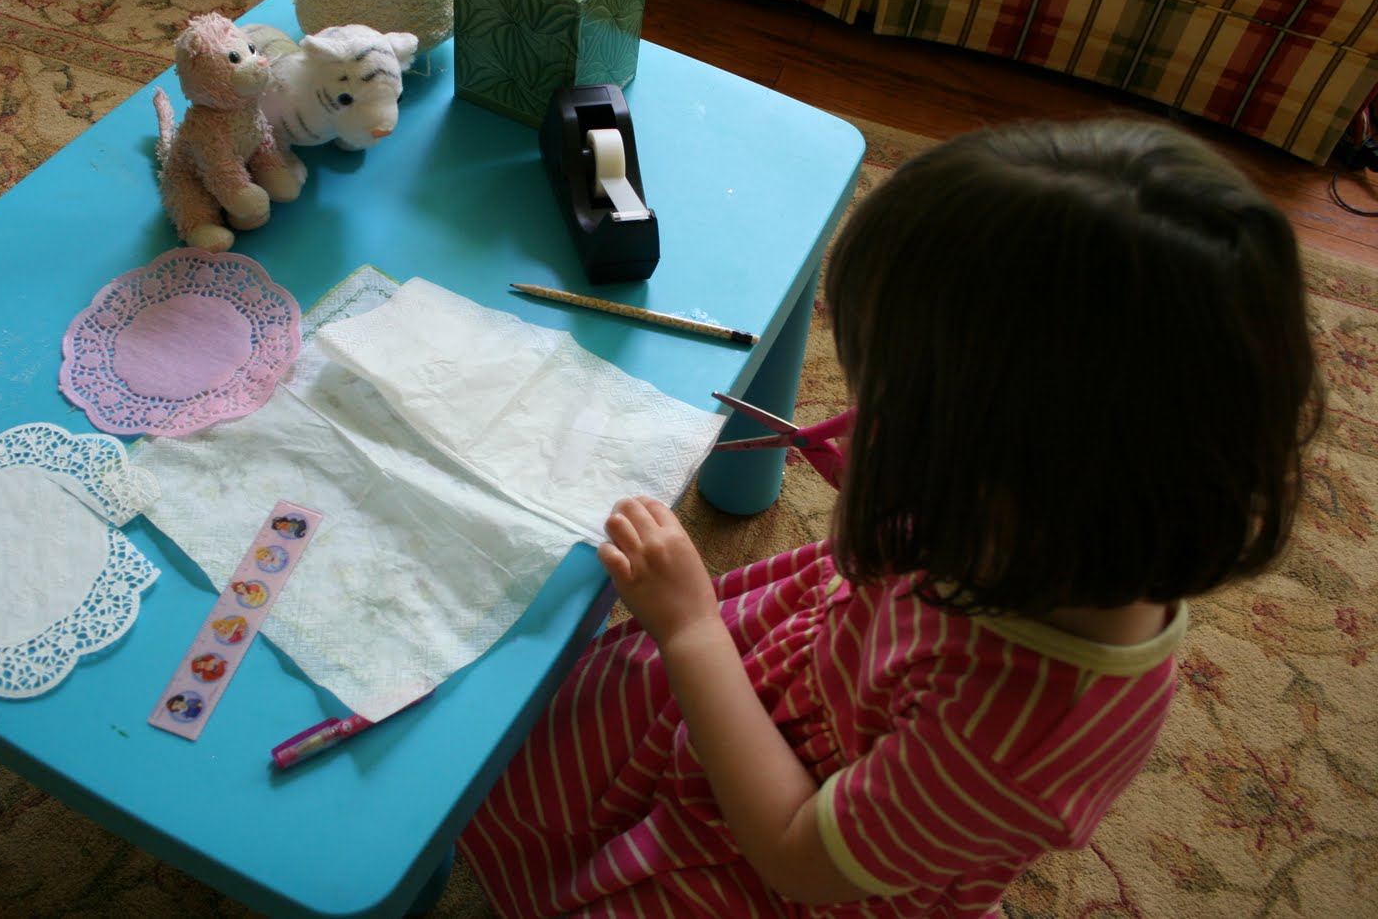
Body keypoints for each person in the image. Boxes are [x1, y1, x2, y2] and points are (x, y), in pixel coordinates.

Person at [457, 119, 1323, 917]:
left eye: (890, 411)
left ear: (998, 478)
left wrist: (689, 629)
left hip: (780, 853)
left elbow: (797, 856)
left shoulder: (1015, 739)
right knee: (541, 744)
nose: (855, 423)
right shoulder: (1055, 524)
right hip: (815, 676)